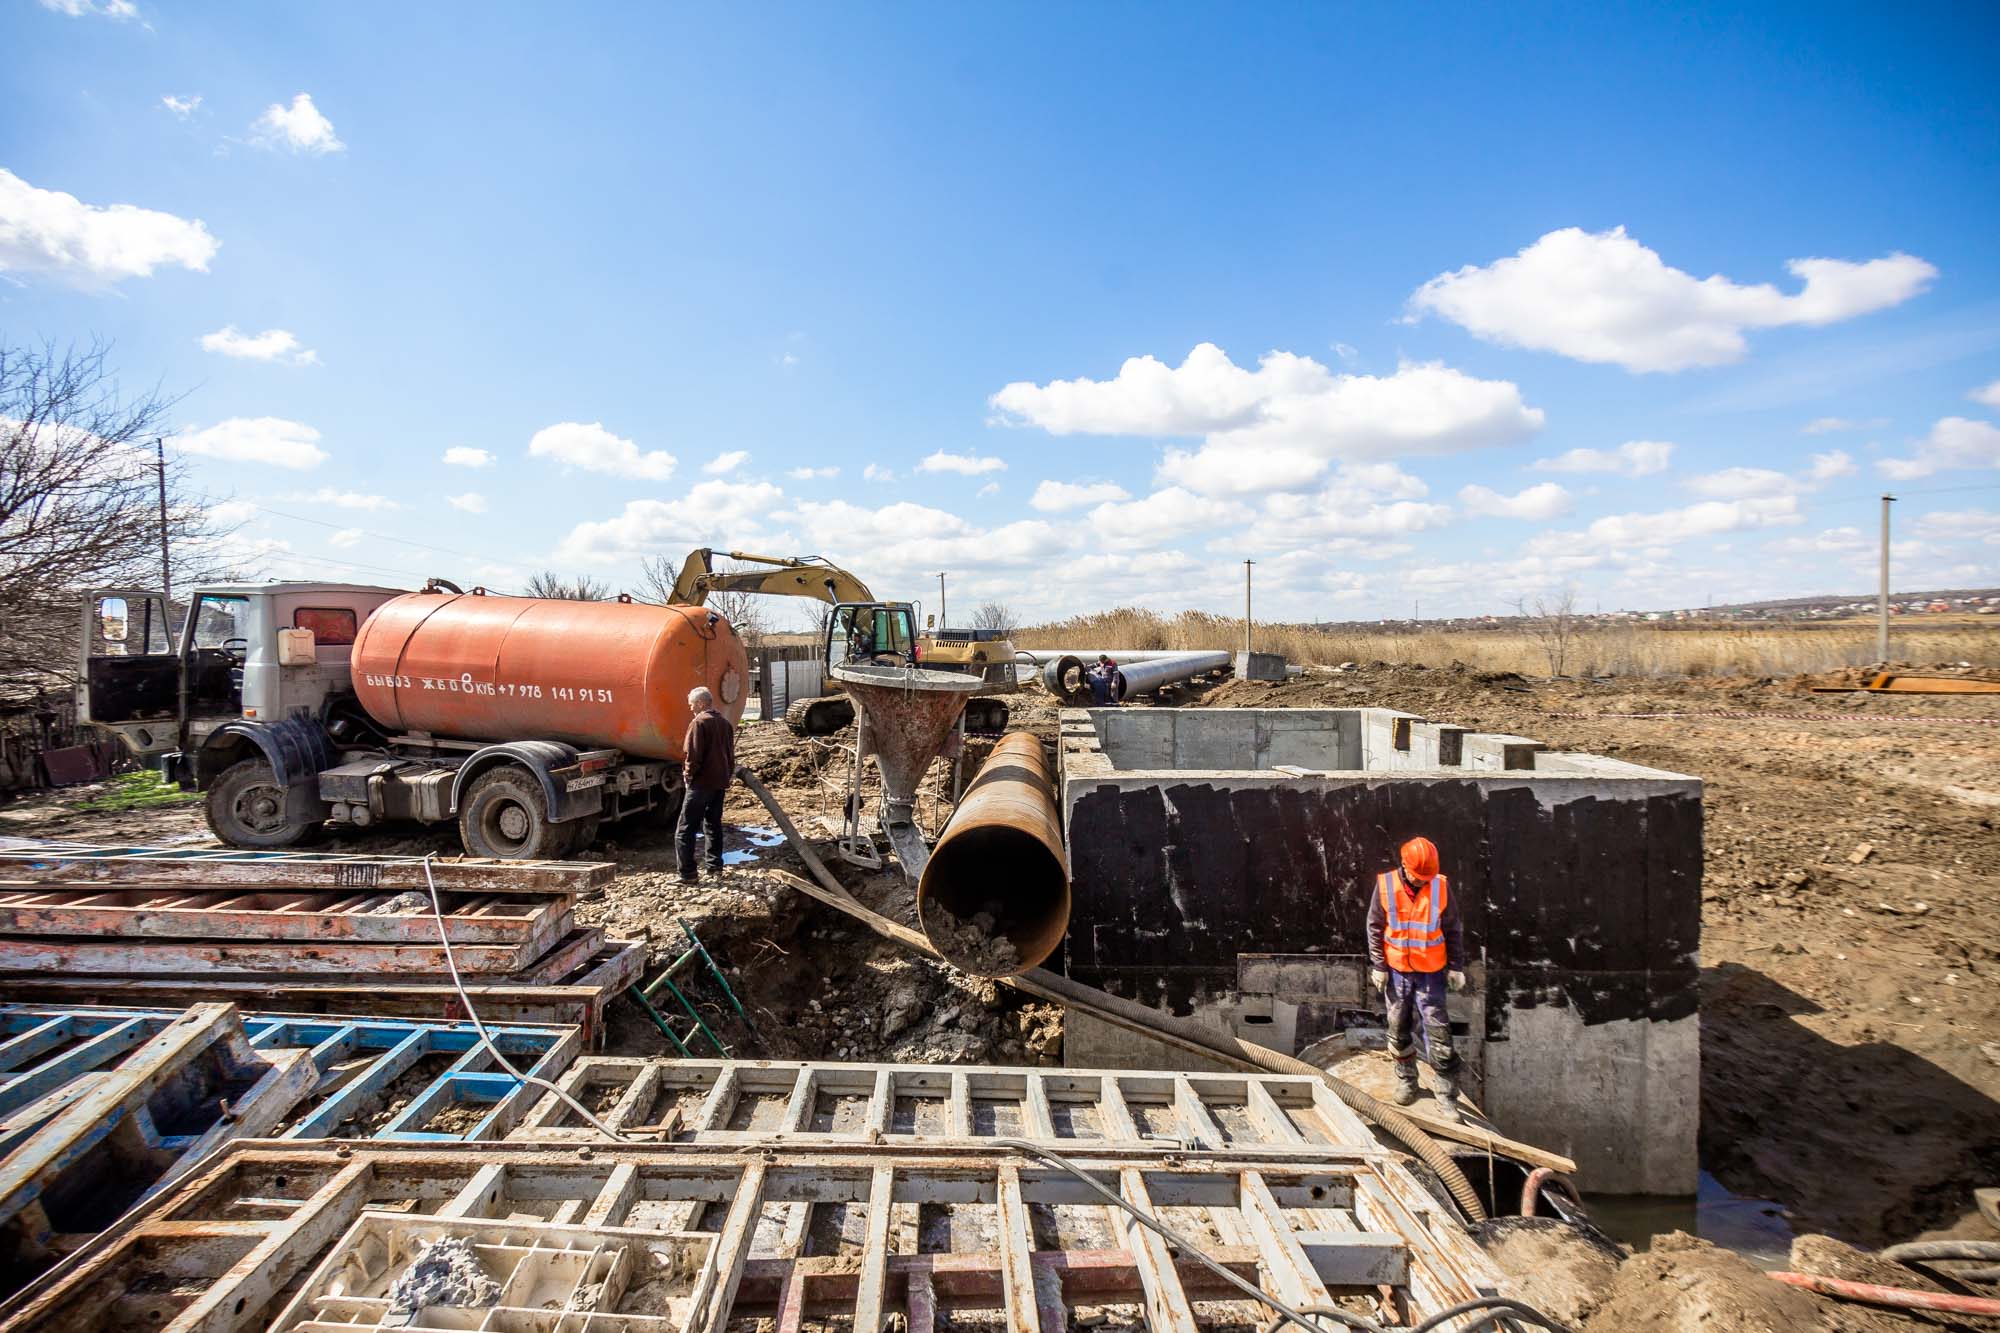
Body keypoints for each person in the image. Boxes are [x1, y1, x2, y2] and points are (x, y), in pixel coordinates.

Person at [1366, 835, 1469, 1118]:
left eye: (1428, 877)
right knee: (1398, 1029)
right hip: (1397, 972)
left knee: (1438, 1032)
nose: (1424, 881)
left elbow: (1453, 929)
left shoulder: (1441, 886)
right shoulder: (1386, 885)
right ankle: (1407, 1079)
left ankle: (1446, 1095)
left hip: (1430, 973)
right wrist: (1379, 965)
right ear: (1404, 866)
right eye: (1419, 876)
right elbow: (1374, 926)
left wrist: (1457, 966)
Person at [677, 685, 736, 883]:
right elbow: (730, 755)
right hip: (719, 783)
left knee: (685, 829)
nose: (690, 708)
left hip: (701, 783)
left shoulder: (699, 723)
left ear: (701, 703)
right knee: (713, 825)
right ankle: (714, 867)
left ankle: (687, 874)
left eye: (692, 704)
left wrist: (688, 776)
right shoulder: (725, 724)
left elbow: (693, 756)